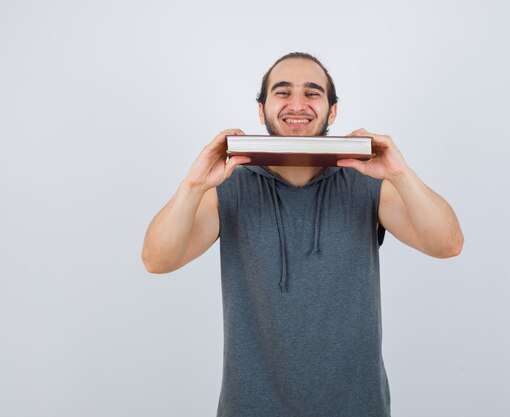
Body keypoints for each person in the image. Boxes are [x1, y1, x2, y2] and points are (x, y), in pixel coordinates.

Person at [142, 52, 463, 417]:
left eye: (312, 93)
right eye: (283, 92)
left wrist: (401, 173)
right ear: (261, 110)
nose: (297, 104)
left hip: (357, 407)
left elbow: (447, 244)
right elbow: (157, 260)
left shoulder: (367, 183)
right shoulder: (229, 187)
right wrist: (193, 184)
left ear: (332, 110)